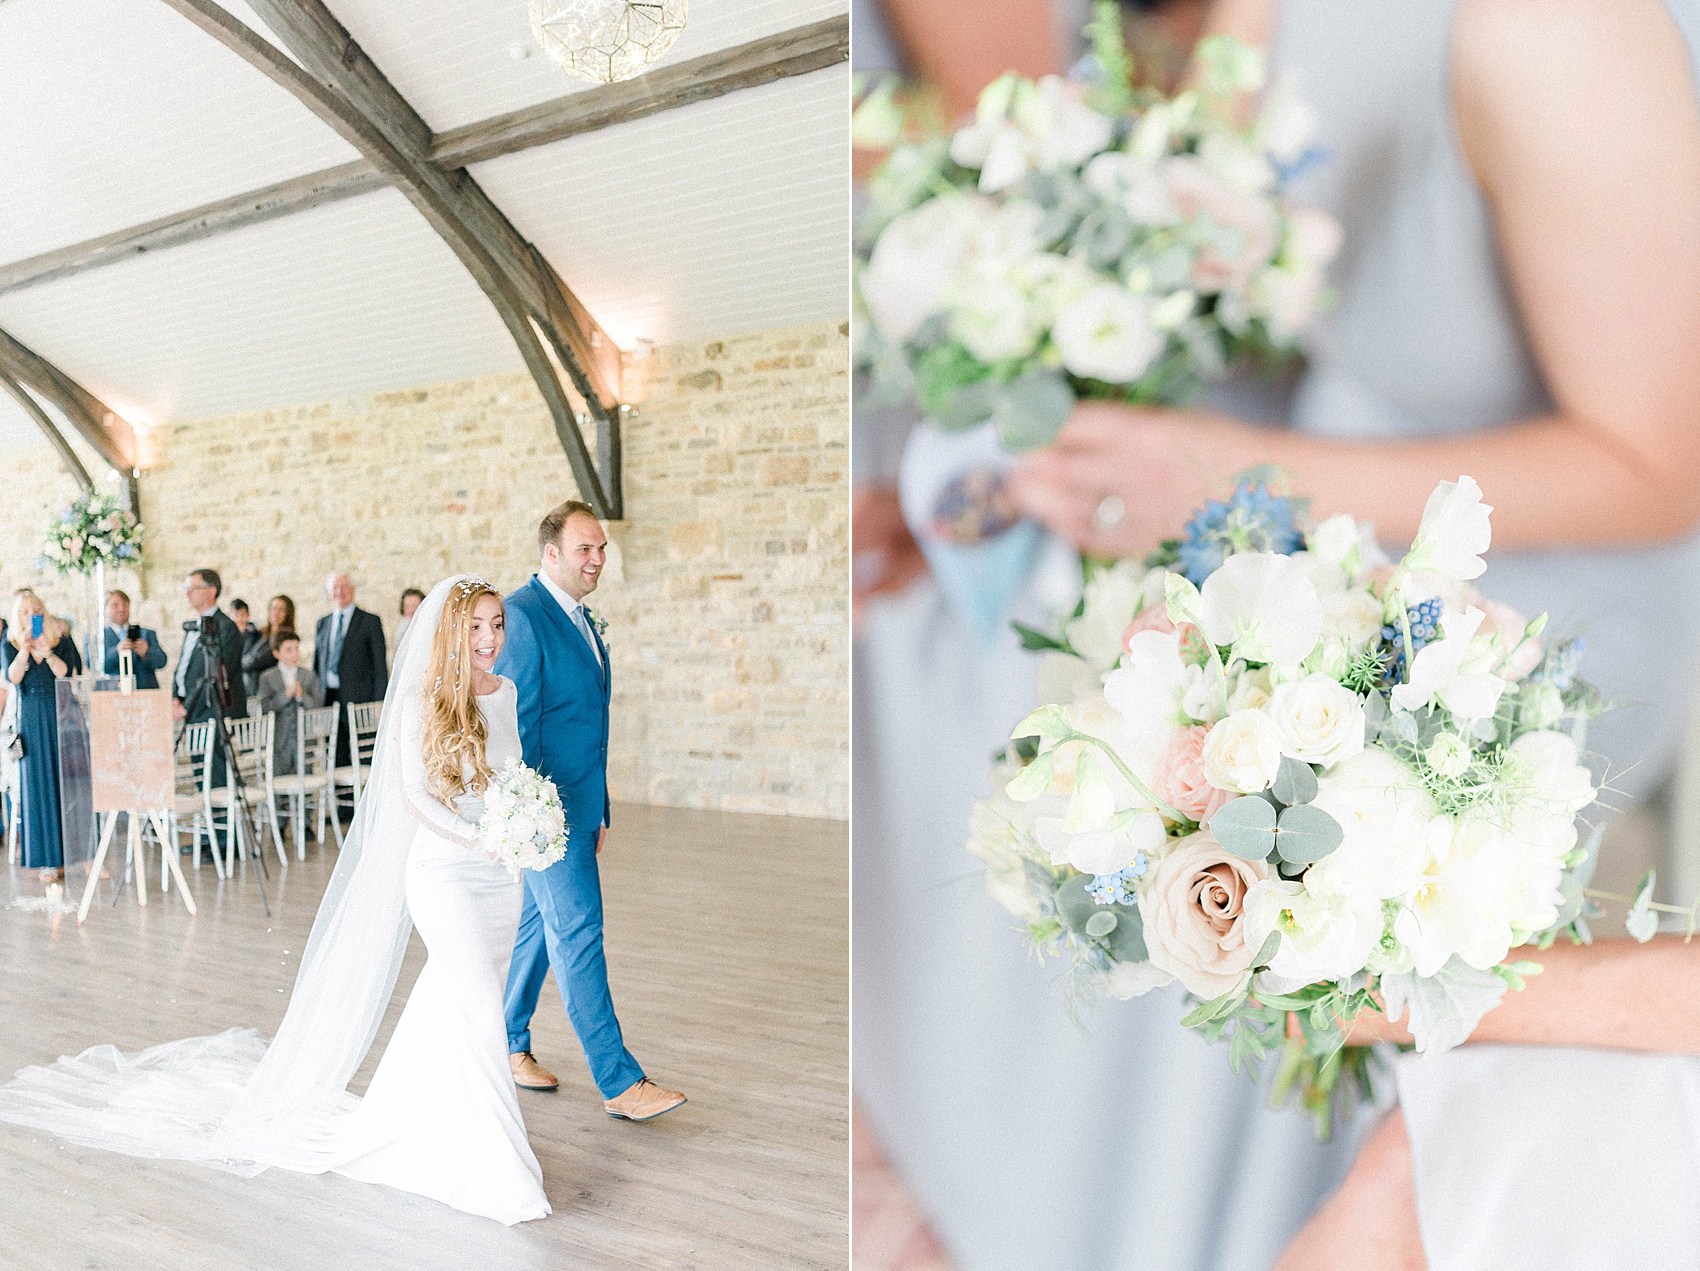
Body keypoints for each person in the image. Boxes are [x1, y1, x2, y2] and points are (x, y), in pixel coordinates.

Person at [981, 0, 1700, 1266]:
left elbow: (1661, 466)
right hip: (1337, 475)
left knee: (1280, 854)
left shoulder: (1548, 30)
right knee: (1079, 739)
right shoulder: (1166, 26)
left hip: (1561, 560)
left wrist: (1235, 472)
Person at [0, 576, 551, 1225]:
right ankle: (498, 1164)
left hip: (498, 878)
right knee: (485, 1007)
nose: (490, 639)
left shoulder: (507, 693)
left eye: (497, 626)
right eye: (478, 626)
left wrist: (529, 820)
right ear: (454, 632)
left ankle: (416, 1120)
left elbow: (512, 775)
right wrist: (479, 834)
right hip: (446, 874)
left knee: (453, 1001)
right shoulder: (423, 698)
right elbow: (415, 796)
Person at [497, 500, 686, 1122]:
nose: (597, 559)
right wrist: (533, 819)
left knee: (539, 930)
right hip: (544, 818)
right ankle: (619, 1082)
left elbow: (590, 724)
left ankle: (508, 1040)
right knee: (577, 934)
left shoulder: (581, 619)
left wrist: (597, 807)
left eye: (601, 548)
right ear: (550, 554)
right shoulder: (523, 618)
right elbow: (513, 725)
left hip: (580, 807)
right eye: (585, 549)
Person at [5, 591, 82, 884]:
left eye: (35, 610)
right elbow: (13, 678)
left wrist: (47, 651)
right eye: (24, 611)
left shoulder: (58, 641)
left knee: (66, 781)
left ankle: (74, 853)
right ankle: (47, 858)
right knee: (37, 783)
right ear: (17, 616)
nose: (30, 616)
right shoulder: (10, 644)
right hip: (31, 717)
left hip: (59, 712)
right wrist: (25, 650)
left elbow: (66, 674)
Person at [314, 571, 387, 766]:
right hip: (329, 698)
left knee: (364, 752)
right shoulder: (322, 623)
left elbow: (380, 666)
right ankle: (340, 796)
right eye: (335, 588)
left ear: (353, 590)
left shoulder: (370, 622)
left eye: (344, 587)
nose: (340, 592)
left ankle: (364, 794)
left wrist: (379, 702)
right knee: (335, 752)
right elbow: (317, 665)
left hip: (360, 700)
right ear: (330, 593)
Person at [172, 568, 247, 725]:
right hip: (191, 711)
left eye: (192, 588)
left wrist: (187, 707)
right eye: (186, 589)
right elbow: (184, 666)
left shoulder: (226, 627)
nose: (187, 593)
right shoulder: (194, 625)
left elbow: (218, 674)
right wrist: (175, 698)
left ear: (211, 591)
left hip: (213, 713)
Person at [257, 631, 321, 775]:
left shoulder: (309, 675)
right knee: (279, 779)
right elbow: (264, 707)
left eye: (296, 649)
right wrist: (284, 696)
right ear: (276, 653)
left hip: (304, 739)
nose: (294, 654)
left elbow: (318, 706)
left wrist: (301, 696)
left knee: (306, 778)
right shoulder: (267, 677)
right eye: (288, 650)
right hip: (278, 740)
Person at [88, 589, 166, 690]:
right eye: (115, 605)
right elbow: (93, 665)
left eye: (125, 605)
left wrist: (147, 653)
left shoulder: (146, 634)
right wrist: (117, 651)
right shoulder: (96, 636)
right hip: (110, 694)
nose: (121, 609)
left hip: (143, 694)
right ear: (104, 609)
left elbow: (162, 661)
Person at [244, 594, 296, 692]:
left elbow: (259, 662)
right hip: (251, 686)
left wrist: (243, 663)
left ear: (288, 613)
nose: (276, 613)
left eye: (281, 610)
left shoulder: (287, 639)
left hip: (269, 688)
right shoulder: (260, 634)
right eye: (274, 608)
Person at [228, 599, 267, 698]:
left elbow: (254, 658)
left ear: (248, 616)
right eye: (236, 615)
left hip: (251, 680)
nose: (240, 619)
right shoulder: (228, 637)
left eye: (242, 615)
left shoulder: (256, 635)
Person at [394, 587, 426, 660]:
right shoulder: (402, 626)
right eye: (407, 607)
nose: (411, 610)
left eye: (415, 606)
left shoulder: (429, 627)